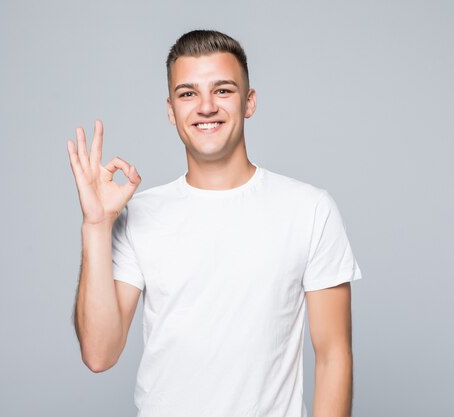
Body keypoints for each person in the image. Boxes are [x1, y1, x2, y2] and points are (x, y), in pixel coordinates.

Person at [68, 29, 363, 417]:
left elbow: (333, 356)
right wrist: (96, 225)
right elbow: (99, 353)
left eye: (223, 90)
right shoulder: (139, 214)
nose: (206, 106)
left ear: (249, 102)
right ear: (171, 110)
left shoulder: (309, 209)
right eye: (188, 93)